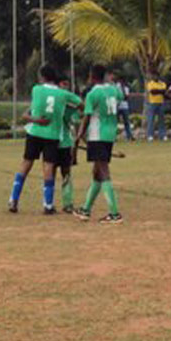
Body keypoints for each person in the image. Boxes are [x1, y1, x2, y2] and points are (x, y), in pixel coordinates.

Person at [8, 65, 82, 214]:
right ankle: (48, 205)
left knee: (26, 164)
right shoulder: (63, 94)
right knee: (48, 168)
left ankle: (13, 199)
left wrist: (36, 119)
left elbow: (35, 109)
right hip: (52, 135)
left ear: (43, 77)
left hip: (34, 132)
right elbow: (82, 104)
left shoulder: (36, 89)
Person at [73, 64, 124, 223]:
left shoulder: (92, 94)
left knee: (103, 171)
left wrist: (78, 136)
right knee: (96, 173)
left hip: (97, 135)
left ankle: (114, 213)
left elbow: (87, 118)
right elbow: (120, 97)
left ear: (92, 76)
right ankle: (86, 209)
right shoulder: (114, 90)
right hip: (110, 134)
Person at [57, 76, 81, 212]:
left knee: (66, 173)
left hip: (66, 143)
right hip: (52, 141)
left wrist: (76, 143)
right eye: (63, 84)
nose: (65, 87)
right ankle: (47, 203)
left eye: (67, 85)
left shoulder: (71, 107)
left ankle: (68, 203)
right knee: (50, 172)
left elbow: (76, 123)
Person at [145, 72, 167, 141]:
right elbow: (152, 92)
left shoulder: (162, 83)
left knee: (161, 120)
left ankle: (162, 135)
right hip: (152, 103)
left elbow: (164, 91)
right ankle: (150, 136)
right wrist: (159, 91)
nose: (155, 77)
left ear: (158, 76)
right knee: (151, 120)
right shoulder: (150, 83)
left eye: (156, 76)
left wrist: (157, 91)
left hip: (161, 103)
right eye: (154, 76)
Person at [112, 73, 133, 142]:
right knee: (115, 122)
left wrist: (122, 96)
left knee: (126, 122)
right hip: (117, 106)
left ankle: (129, 136)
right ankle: (113, 137)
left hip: (124, 106)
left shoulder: (126, 88)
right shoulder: (115, 87)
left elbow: (126, 97)